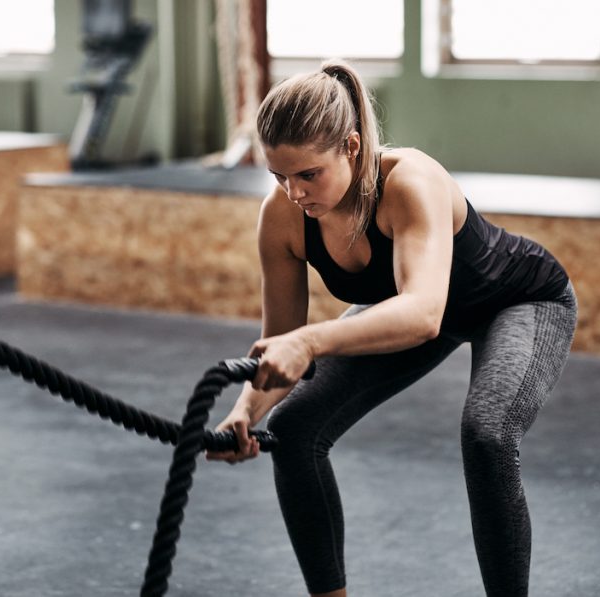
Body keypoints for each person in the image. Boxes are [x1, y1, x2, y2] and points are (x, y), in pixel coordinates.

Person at [206, 58, 577, 597]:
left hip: (519, 300)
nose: (295, 193)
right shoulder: (283, 218)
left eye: (309, 174)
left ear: (352, 148)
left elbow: (422, 313)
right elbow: (281, 345)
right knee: (293, 430)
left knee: (487, 435)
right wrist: (242, 414)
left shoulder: (409, 182)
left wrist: (309, 341)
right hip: (416, 312)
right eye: (279, 176)